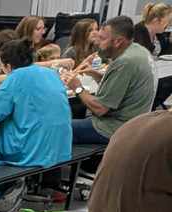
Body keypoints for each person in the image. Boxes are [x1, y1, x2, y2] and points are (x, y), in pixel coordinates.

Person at [0, 39, 72, 212]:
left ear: (6, 65)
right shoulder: (50, 74)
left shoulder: (15, 78)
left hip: (29, 151)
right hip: (59, 146)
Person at [63, 16, 156, 144]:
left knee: (57, 127)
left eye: (102, 39)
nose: (97, 43)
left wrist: (77, 88)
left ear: (118, 41)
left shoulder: (125, 61)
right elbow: (123, 88)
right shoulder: (139, 51)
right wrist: (98, 76)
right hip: (134, 123)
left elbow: (100, 109)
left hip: (114, 128)